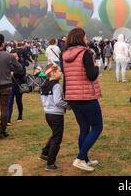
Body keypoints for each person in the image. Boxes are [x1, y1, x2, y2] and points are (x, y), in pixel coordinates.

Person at [63, 28, 101, 172]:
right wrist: (96, 68)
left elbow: (66, 78)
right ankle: (79, 158)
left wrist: (66, 98)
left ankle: (84, 159)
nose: (87, 38)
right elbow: (91, 75)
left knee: (84, 127)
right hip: (86, 97)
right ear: (81, 38)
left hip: (72, 96)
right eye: (85, 36)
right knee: (97, 127)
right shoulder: (85, 53)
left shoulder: (65, 54)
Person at [39, 64, 69, 171]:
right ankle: (50, 163)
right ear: (52, 73)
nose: (61, 73)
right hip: (56, 115)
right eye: (59, 71)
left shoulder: (44, 84)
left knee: (55, 135)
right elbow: (58, 101)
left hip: (48, 114)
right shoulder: (56, 85)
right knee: (57, 138)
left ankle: (45, 153)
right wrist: (69, 106)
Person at [7, 49, 27, 126]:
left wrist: (14, 73)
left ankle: (20, 116)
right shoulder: (8, 63)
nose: (14, 58)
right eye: (12, 56)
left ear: (18, 56)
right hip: (10, 85)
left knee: (18, 101)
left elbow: (22, 72)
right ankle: (8, 119)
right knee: (10, 102)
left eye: (15, 56)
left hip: (18, 85)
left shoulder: (21, 64)